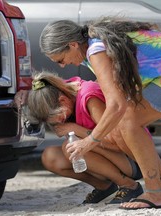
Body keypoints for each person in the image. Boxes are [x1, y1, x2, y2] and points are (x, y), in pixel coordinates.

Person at [39, 16, 161, 210]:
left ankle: (155, 193)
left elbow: (116, 106)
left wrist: (89, 141)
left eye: (61, 60)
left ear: (72, 45)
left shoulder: (96, 50)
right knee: (125, 121)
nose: (62, 66)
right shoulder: (96, 45)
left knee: (128, 121)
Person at [24, 70, 145, 204]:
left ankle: (128, 185)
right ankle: (103, 186)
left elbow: (116, 143)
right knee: (50, 156)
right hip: (109, 157)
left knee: (70, 147)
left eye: (57, 118)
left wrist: (76, 130)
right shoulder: (60, 91)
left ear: (63, 100)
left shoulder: (89, 97)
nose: (58, 122)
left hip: (133, 159)